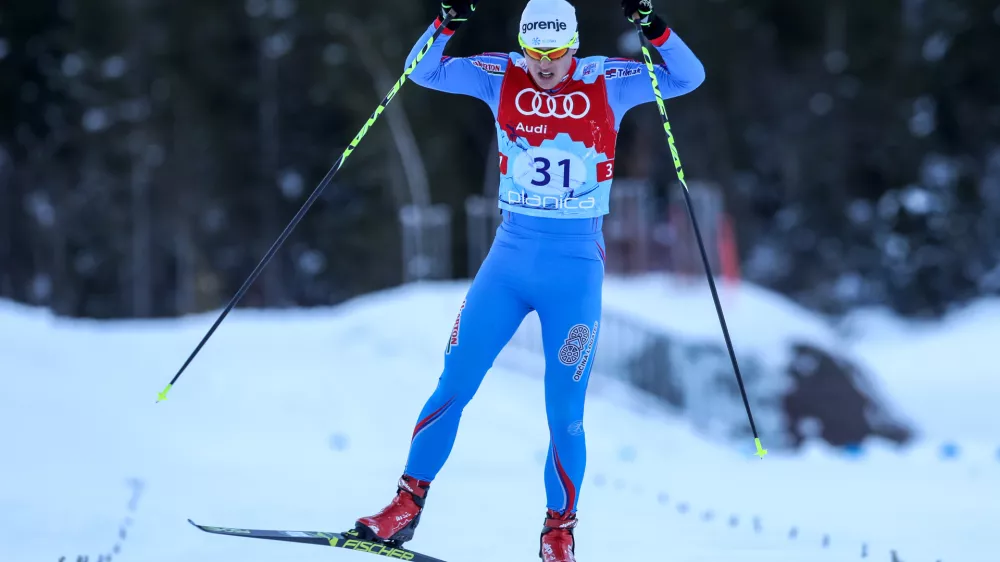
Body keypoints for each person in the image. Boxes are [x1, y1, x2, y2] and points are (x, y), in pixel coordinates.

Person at [352, 1, 704, 560]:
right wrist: (444, 23)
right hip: (509, 260)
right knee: (454, 382)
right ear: (523, 45)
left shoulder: (607, 80)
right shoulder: (501, 74)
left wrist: (652, 26)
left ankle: (558, 530)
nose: (544, 65)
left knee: (565, 411)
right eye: (535, 52)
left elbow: (688, 77)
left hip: (575, 268)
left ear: (574, 45)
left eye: (556, 53)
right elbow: (422, 70)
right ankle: (406, 506)